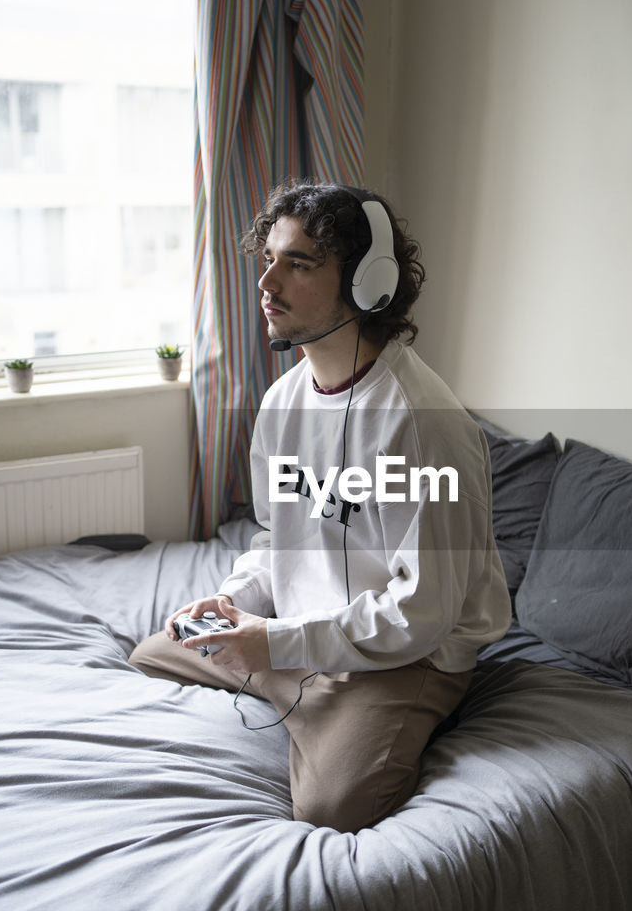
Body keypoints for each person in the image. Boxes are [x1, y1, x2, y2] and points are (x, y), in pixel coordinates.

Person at [130, 180, 511, 832]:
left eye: (298, 263)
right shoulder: (283, 402)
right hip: (305, 633)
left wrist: (271, 643)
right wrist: (236, 606)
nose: (267, 282)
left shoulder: (421, 424)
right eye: (269, 259)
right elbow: (277, 537)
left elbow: (420, 615)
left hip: (407, 656)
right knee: (153, 651)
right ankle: (304, 696)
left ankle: (317, 702)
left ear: (370, 284)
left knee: (333, 808)